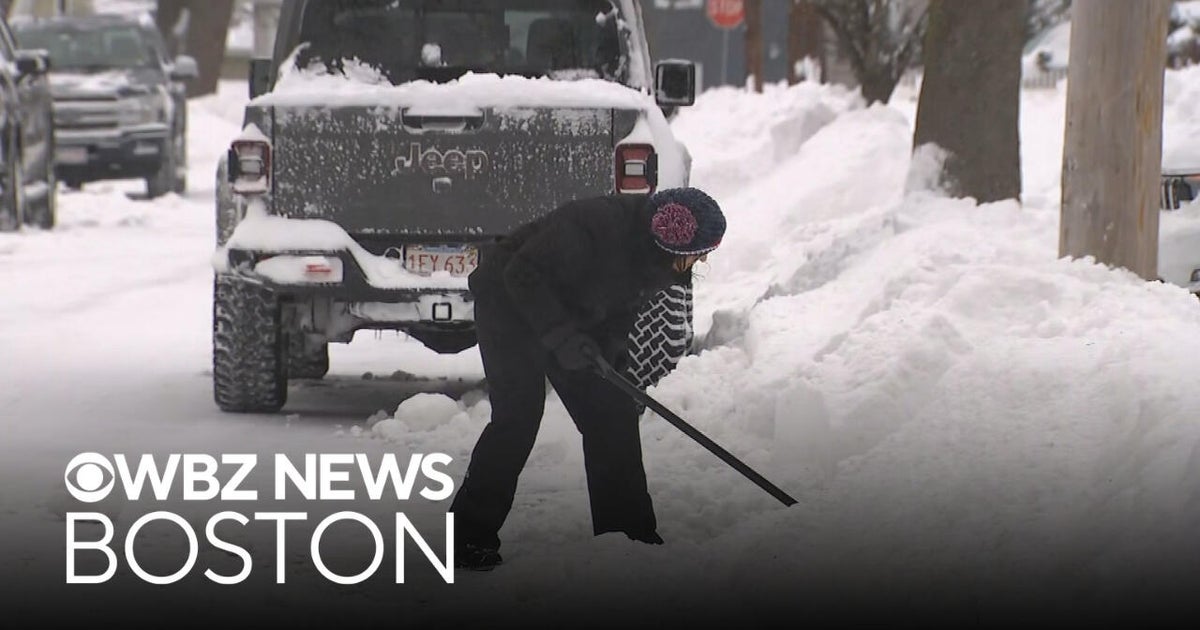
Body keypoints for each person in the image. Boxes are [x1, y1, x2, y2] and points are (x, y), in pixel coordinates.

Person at [450, 187, 727, 571]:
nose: (701, 260)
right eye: (699, 253)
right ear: (673, 243)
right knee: (517, 419)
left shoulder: (657, 260)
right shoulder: (594, 225)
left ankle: (628, 533)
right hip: (507, 304)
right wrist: (562, 337)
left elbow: (620, 307)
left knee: (612, 414)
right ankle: (465, 539)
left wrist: (611, 353)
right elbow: (522, 274)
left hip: (571, 316)